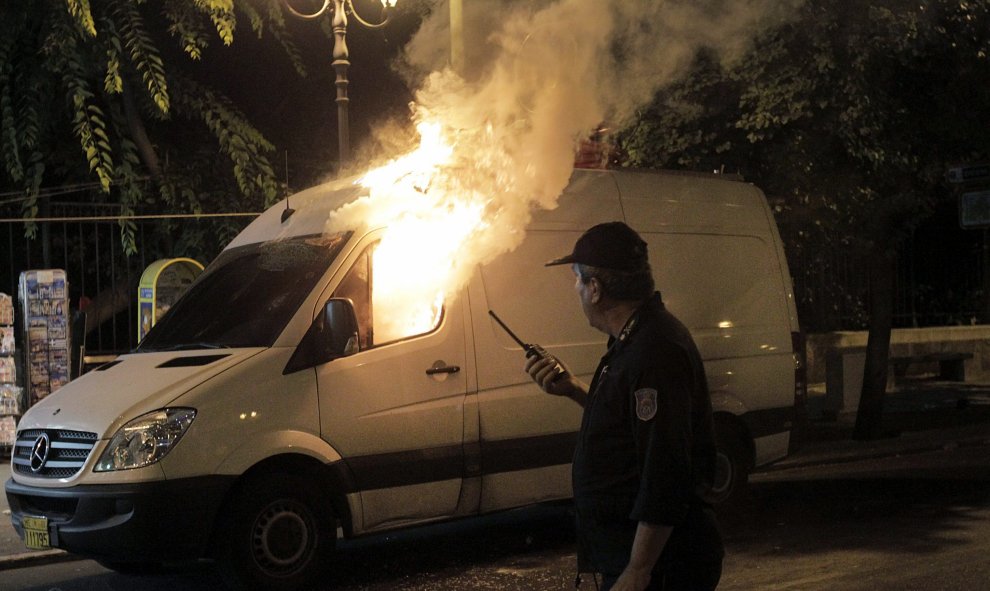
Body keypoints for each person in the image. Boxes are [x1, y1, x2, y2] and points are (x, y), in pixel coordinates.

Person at [525, 221, 724, 591]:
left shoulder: (654, 351)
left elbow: (665, 468)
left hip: (663, 567)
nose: (576, 289)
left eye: (577, 279)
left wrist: (638, 570)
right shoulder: (635, 340)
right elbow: (632, 422)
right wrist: (574, 390)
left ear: (595, 288)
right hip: (637, 559)